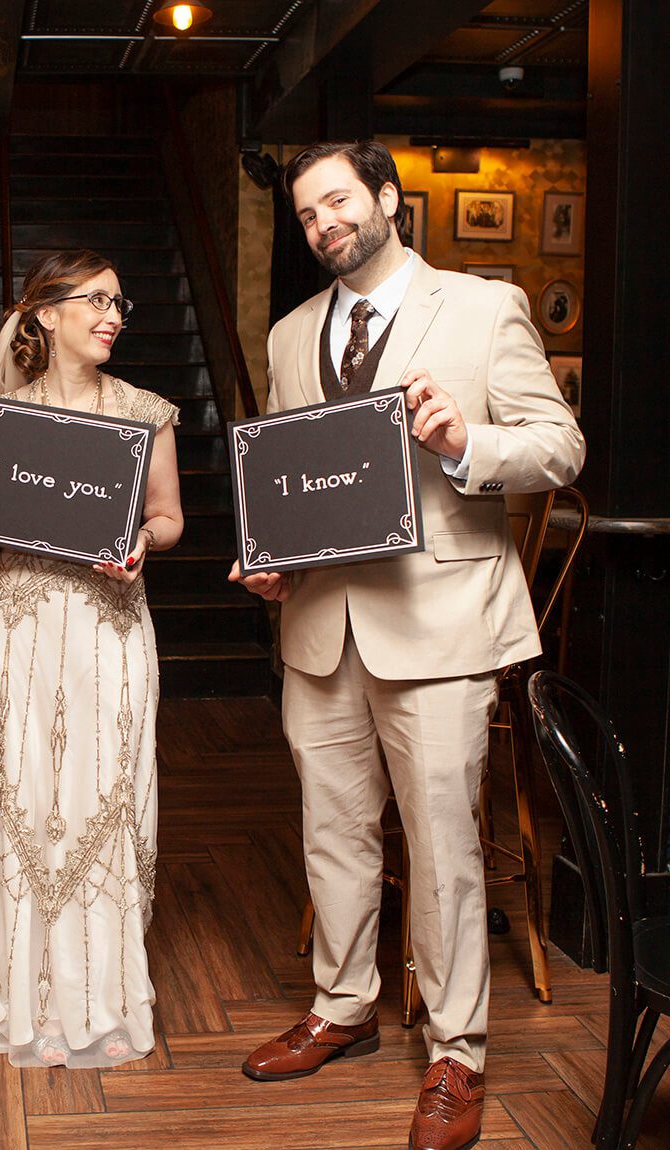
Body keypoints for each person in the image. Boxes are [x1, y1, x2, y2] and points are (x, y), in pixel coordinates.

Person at [230, 142, 584, 1150]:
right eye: (306, 215)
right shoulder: (291, 333)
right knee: (333, 835)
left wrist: (466, 441)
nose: (323, 224)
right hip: (321, 623)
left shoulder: (481, 306)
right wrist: (271, 559)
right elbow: (297, 482)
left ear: (385, 198)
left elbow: (559, 443)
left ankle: (456, 1051)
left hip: (439, 624)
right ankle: (342, 1006)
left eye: (337, 200)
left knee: (443, 849)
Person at [0, 249, 184, 1068]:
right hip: (21, 629)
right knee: (25, 801)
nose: (114, 315)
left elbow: (170, 517)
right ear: (45, 315)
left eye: (121, 302)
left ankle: (97, 993)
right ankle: (23, 990)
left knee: (100, 801)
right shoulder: (3, 417)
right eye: (98, 300)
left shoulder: (148, 411)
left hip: (108, 625)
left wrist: (143, 544)